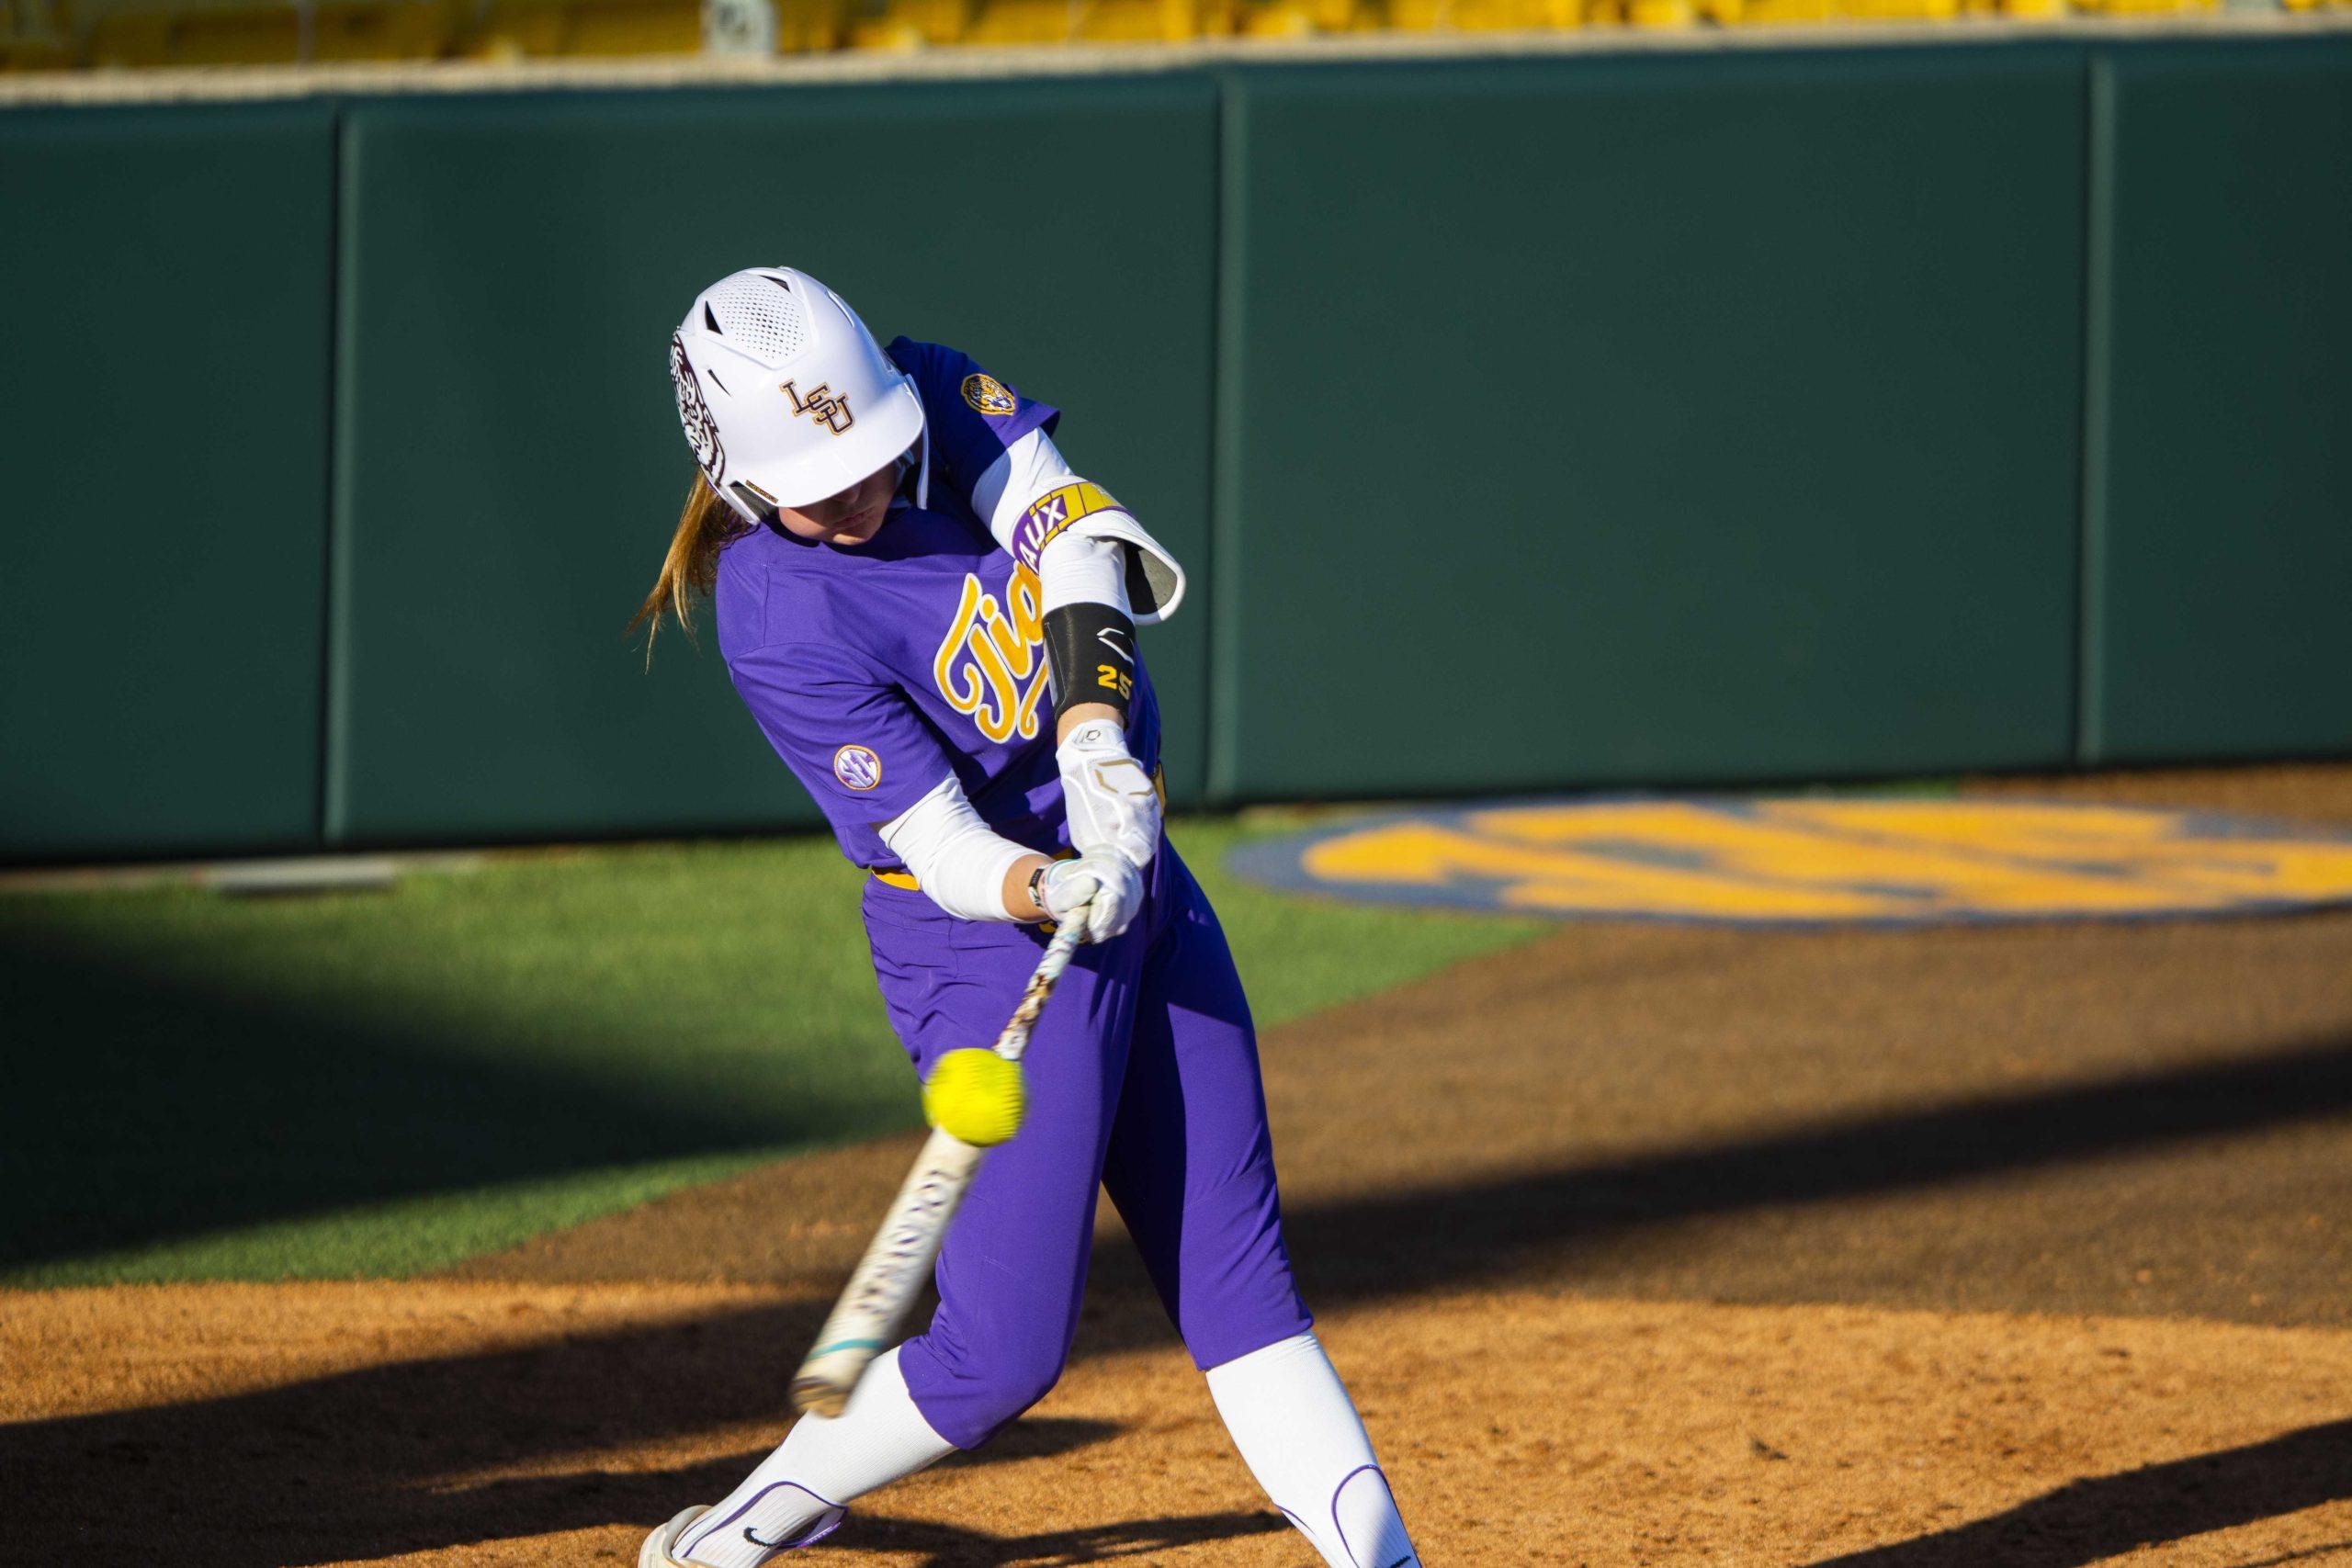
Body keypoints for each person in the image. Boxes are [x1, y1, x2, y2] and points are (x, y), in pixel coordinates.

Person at [631, 265, 1423, 1568]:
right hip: (992, 952)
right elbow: (937, 845)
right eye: (826, 490)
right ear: (742, 483)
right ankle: (736, 1534)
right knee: (1001, 1356)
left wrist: (1097, 743)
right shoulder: (776, 614)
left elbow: (1074, 537)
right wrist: (1052, 883)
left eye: (878, 458)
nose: (870, 493)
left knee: (1242, 1279)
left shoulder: (931, 390)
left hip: (1143, 889)